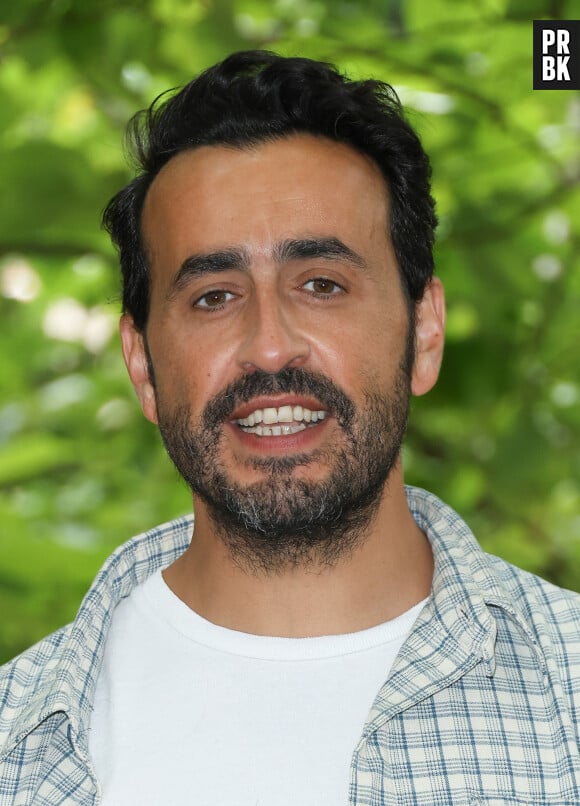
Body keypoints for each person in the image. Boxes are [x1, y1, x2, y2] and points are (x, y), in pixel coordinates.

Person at [1, 49, 580, 806]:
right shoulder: (18, 743)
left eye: (321, 284)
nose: (270, 344)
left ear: (425, 332)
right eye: (213, 296)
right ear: (142, 366)